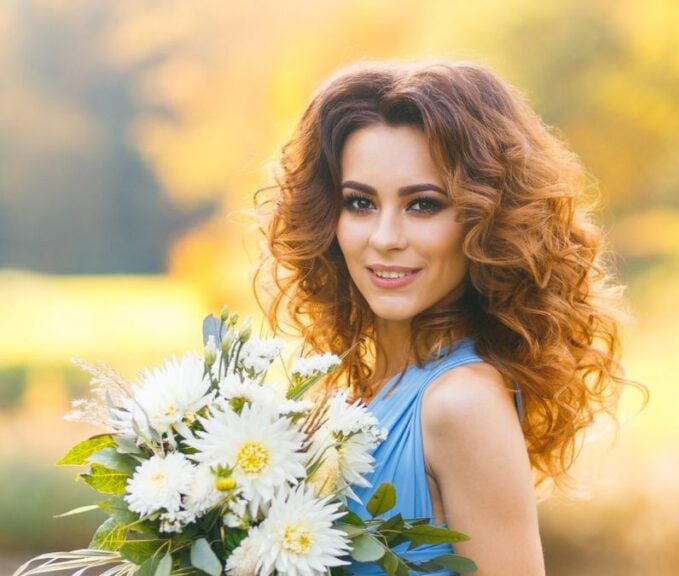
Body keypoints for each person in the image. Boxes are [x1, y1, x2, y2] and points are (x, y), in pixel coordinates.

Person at [253, 58, 639, 576]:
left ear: (484, 221)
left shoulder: (461, 403)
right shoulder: (356, 394)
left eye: (423, 205)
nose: (385, 237)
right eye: (361, 202)